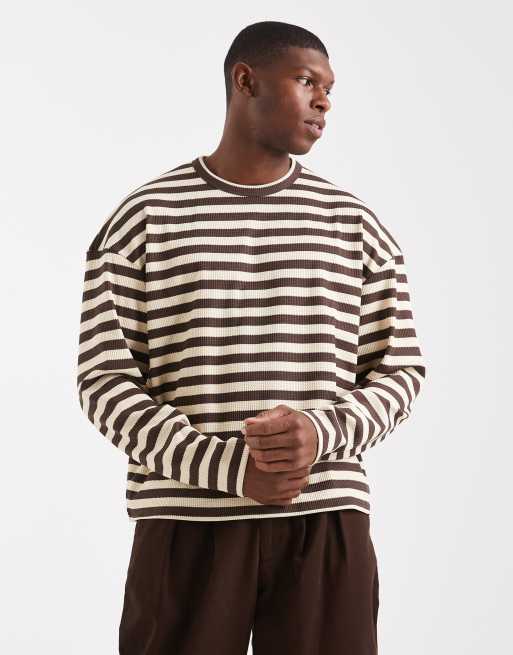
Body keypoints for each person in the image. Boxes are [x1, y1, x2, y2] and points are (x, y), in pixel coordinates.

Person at [76, 20, 426, 655]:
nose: (324, 102)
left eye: (330, 90)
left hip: (324, 518)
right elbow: (104, 382)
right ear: (245, 81)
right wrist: (227, 468)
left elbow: (400, 371)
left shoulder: (354, 225)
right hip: (187, 523)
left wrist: (320, 433)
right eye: (307, 81)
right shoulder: (145, 220)